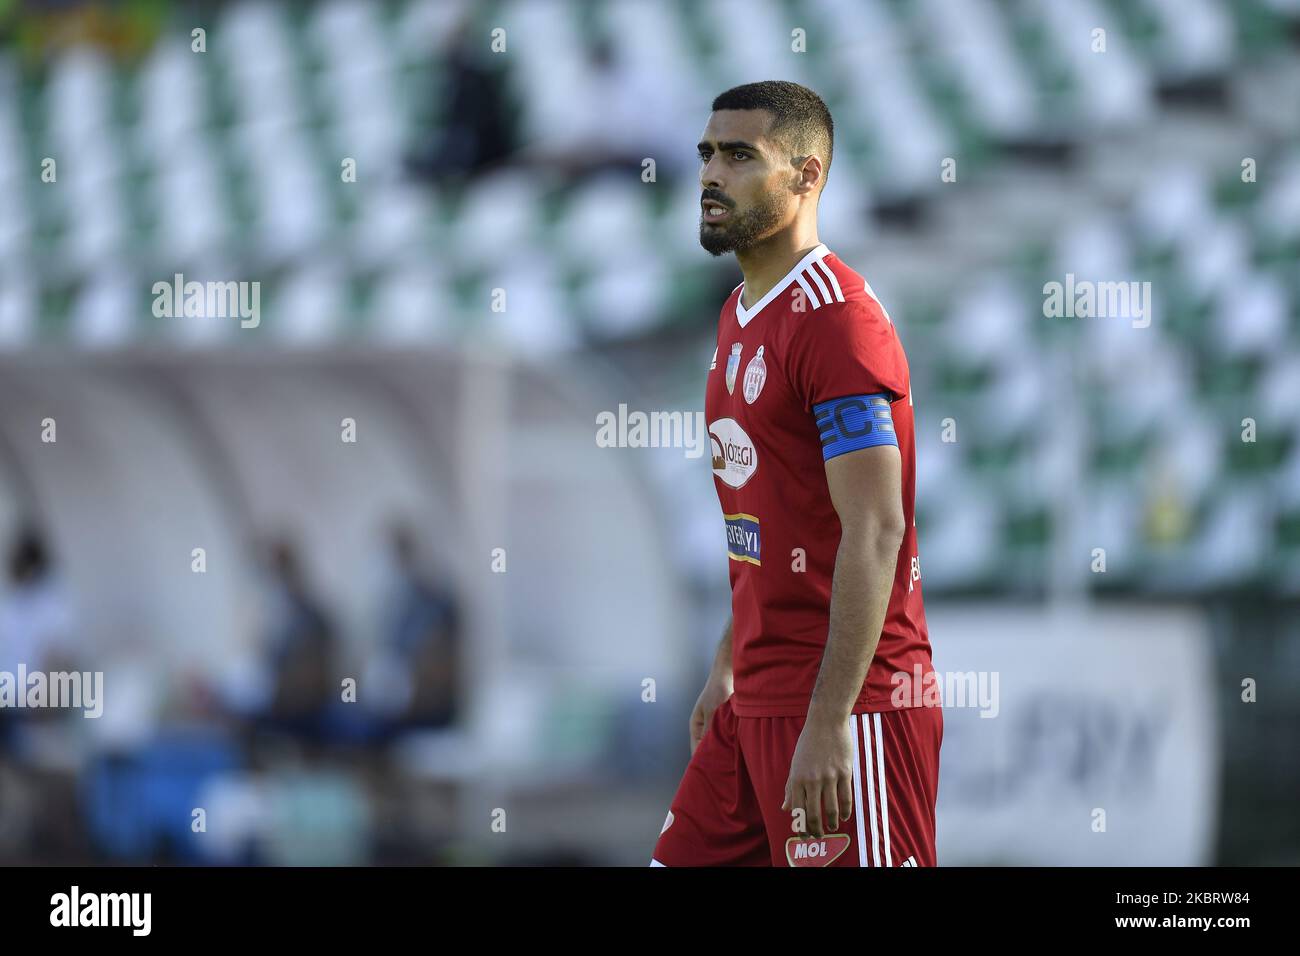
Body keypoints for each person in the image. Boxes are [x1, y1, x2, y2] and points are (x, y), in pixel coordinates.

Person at [652, 81, 941, 868]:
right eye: (707, 153)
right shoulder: (739, 314)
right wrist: (728, 663)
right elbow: (763, 531)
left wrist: (831, 718)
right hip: (756, 702)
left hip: (851, 709)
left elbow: (876, 529)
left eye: (740, 156)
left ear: (806, 176)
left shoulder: (836, 319)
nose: (711, 173)